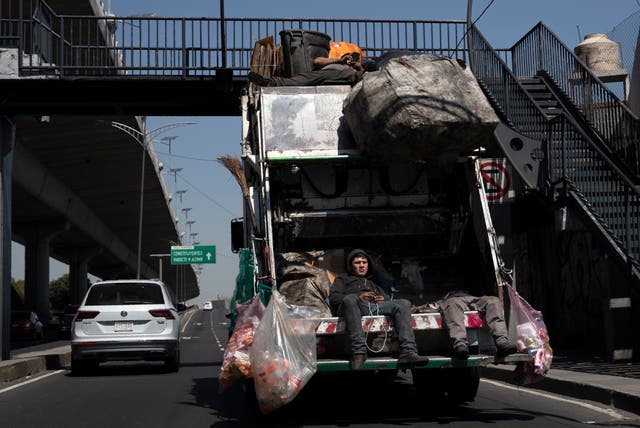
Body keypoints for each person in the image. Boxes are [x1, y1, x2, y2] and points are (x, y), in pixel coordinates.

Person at [329, 249, 429, 370]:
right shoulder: (343, 279)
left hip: (371, 307)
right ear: (351, 265)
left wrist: (383, 300)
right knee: (350, 299)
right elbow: (334, 298)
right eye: (357, 262)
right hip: (351, 307)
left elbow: (387, 300)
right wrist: (358, 297)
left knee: (403, 303)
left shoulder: (373, 283)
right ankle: (359, 352)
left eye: (364, 262)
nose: (361, 265)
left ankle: (408, 351)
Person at [248, 41, 377, 87]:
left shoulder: (354, 66)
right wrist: (339, 60)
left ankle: (272, 82)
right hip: (328, 72)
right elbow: (317, 61)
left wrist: (357, 67)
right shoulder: (335, 57)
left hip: (346, 74)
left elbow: (360, 71)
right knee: (304, 78)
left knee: (353, 75)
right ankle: (271, 82)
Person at [439, 291, 517, 359]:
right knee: (452, 305)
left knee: (493, 301)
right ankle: (460, 346)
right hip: (454, 297)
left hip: (476, 295)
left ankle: (501, 343)